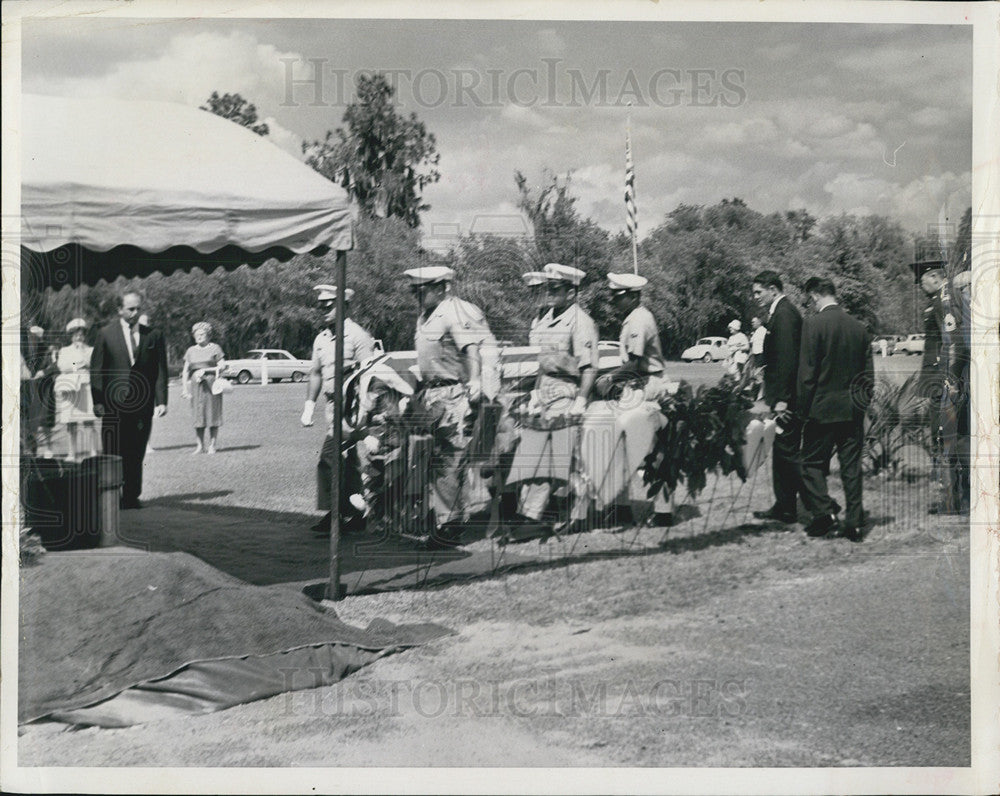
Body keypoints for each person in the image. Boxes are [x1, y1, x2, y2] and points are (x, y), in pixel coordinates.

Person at [405, 266, 495, 541]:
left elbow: (471, 349)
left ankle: (452, 524)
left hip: (452, 395)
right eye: (415, 290)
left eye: (424, 289)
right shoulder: (425, 316)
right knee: (434, 461)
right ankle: (442, 517)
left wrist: (477, 380)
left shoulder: (453, 313)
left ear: (443, 287)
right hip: (431, 395)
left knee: (450, 459)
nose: (419, 295)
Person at [513, 263, 599, 533]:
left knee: (548, 455)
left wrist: (580, 401)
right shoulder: (547, 318)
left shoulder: (580, 322)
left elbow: (589, 367)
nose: (549, 292)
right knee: (534, 453)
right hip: (544, 388)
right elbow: (540, 360)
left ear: (572, 292)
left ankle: (532, 518)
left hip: (566, 390)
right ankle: (537, 512)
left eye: (556, 288)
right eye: (548, 287)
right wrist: (535, 392)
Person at [797, 277, 874, 541]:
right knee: (851, 467)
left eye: (810, 299)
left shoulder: (813, 324)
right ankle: (853, 523)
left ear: (816, 295)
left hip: (821, 408)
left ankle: (823, 514)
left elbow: (807, 374)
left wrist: (802, 409)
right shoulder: (859, 328)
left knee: (811, 464)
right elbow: (868, 376)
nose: (810, 304)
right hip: (852, 409)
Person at [301, 284, 377, 536]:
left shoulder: (357, 336)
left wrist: (361, 412)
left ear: (345, 305)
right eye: (321, 306)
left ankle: (337, 513)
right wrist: (309, 405)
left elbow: (369, 375)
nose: (323, 309)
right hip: (332, 406)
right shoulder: (321, 338)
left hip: (353, 406)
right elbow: (315, 373)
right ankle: (354, 515)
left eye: (329, 305)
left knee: (330, 458)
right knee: (348, 462)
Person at [90, 290, 168, 509]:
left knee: (136, 449)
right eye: (130, 308)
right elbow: (97, 370)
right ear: (120, 310)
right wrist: (97, 400)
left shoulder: (153, 335)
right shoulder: (106, 334)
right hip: (113, 405)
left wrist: (162, 401)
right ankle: (112, 496)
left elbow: (160, 369)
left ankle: (132, 495)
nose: (135, 313)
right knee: (113, 449)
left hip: (142, 405)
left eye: (138, 308)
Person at [751, 270, 803, 525]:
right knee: (782, 452)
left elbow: (787, 362)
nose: (755, 297)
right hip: (780, 397)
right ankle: (784, 506)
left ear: (773, 289)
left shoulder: (784, 315)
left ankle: (814, 504)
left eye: (759, 292)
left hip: (786, 400)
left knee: (787, 452)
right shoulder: (779, 313)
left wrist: (782, 400)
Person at [54, 318, 98, 462]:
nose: (79, 337)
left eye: (81, 334)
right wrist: (78, 364)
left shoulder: (91, 349)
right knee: (71, 423)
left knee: (89, 422)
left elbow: (94, 364)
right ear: (71, 336)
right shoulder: (65, 350)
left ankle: (93, 451)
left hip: (86, 387)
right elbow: (62, 366)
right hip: (71, 389)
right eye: (76, 334)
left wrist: (83, 360)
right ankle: (72, 453)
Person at [181, 322, 226, 455]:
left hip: (212, 385)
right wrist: (185, 389)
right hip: (196, 386)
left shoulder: (215, 348)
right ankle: (200, 446)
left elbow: (222, 366)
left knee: (212, 414)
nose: (199, 337)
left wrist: (207, 370)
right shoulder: (190, 350)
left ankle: (212, 445)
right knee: (198, 415)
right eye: (196, 334)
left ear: (208, 335)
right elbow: (185, 371)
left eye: (202, 334)